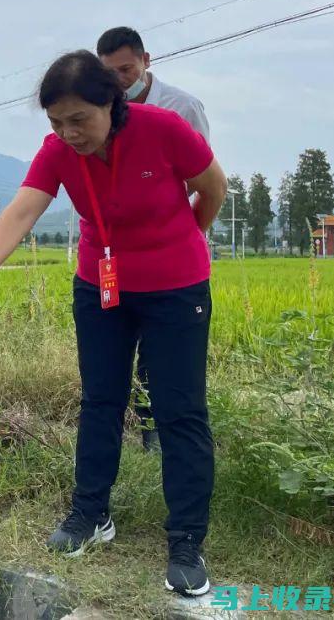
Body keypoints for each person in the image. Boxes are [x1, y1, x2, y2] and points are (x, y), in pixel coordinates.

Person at [0, 51, 226, 597]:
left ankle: (187, 541)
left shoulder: (164, 129)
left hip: (175, 286)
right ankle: (90, 515)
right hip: (103, 285)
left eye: (80, 120)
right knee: (100, 399)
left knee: (179, 410)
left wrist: (186, 238)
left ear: (112, 104)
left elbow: (212, 186)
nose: (68, 133)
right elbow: (24, 208)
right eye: (56, 122)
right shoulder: (57, 151)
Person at [97, 26, 212, 452]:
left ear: (147, 60)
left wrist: (186, 236)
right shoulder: (99, 113)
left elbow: (206, 178)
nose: (120, 79)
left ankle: (160, 435)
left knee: (164, 355)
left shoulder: (182, 107)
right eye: (110, 73)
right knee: (116, 345)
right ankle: (141, 428)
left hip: (170, 255)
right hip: (115, 255)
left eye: (127, 68)